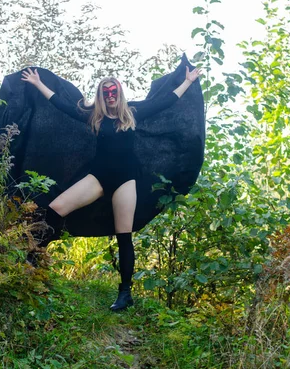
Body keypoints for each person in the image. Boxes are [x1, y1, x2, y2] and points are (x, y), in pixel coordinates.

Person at [21, 66, 201, 311]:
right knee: (55, 208)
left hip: (126, 180)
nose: (110, 95)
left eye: (113, 91)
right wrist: (38, 83)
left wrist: (188, 82)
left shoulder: (133, 113)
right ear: (101, 96)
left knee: (123, 236)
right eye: (106, 92)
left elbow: (166, 101)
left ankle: (125, 294)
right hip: (98, 177)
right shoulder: (94, 115)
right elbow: (61, 104)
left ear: (119, 92)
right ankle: (33, 259)